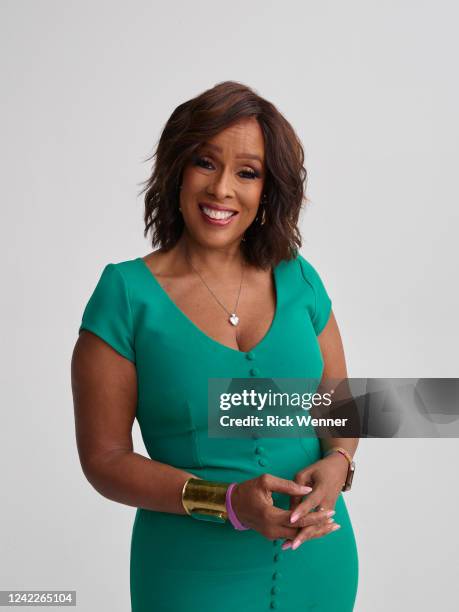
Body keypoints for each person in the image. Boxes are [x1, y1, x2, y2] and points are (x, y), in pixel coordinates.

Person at [71, 80, 359, 612]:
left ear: (267, 190)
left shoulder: (300, 280)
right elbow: (104, 458)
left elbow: (335, 395)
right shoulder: (126, 295)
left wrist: (339, 460)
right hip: (189, 572)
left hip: (318, 560)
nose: (223, 188)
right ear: (176, 169)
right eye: (206, 162)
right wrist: (226, 502)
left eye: (247, 172)